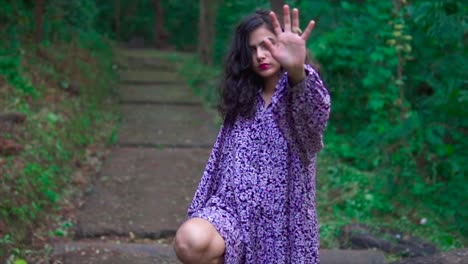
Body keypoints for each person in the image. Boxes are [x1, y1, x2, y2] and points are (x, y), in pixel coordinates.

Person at [174, 4, 330, 264]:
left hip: (283, 228)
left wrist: (297, 71)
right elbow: (221, 165)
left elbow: (315, 120)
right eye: (253, 49)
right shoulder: (244, 98)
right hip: (232, 215)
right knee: (190, 242)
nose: (260, 55)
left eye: (268, 45)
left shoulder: (300, 95)